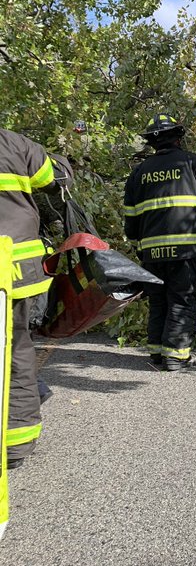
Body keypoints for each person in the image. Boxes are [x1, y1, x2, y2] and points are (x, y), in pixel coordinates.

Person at [124, 114, 196, 371]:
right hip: (188, 250)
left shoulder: (138, 173)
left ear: (152, 143)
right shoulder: (193, 163)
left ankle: (156, 351)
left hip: (152, 254)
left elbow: (130, 219)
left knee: (159, 301)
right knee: (183, 299)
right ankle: (176, 355)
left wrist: (136, 244)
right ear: (178, 138)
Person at [0, 128, 72, 469]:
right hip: (15, 271)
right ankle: (16, 443)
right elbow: (54, 176)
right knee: (15, 349)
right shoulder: (12, 142)